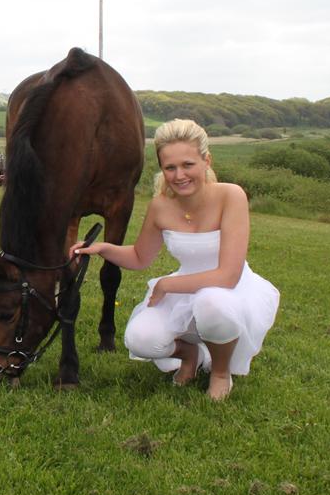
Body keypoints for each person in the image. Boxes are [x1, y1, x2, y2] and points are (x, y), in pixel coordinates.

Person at [70, 119, 279, 400]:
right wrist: (102, 248)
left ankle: (220, 372)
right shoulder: (160, 206)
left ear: (206, 161)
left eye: (188, 165)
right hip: (185, 287)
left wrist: (168, 285)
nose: (179, 175)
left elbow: (228, 275)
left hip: (229, 289)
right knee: (140, 340)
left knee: (212, 304)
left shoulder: (231, 196)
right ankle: (188, 354)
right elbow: (139, 256)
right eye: (170, 168)